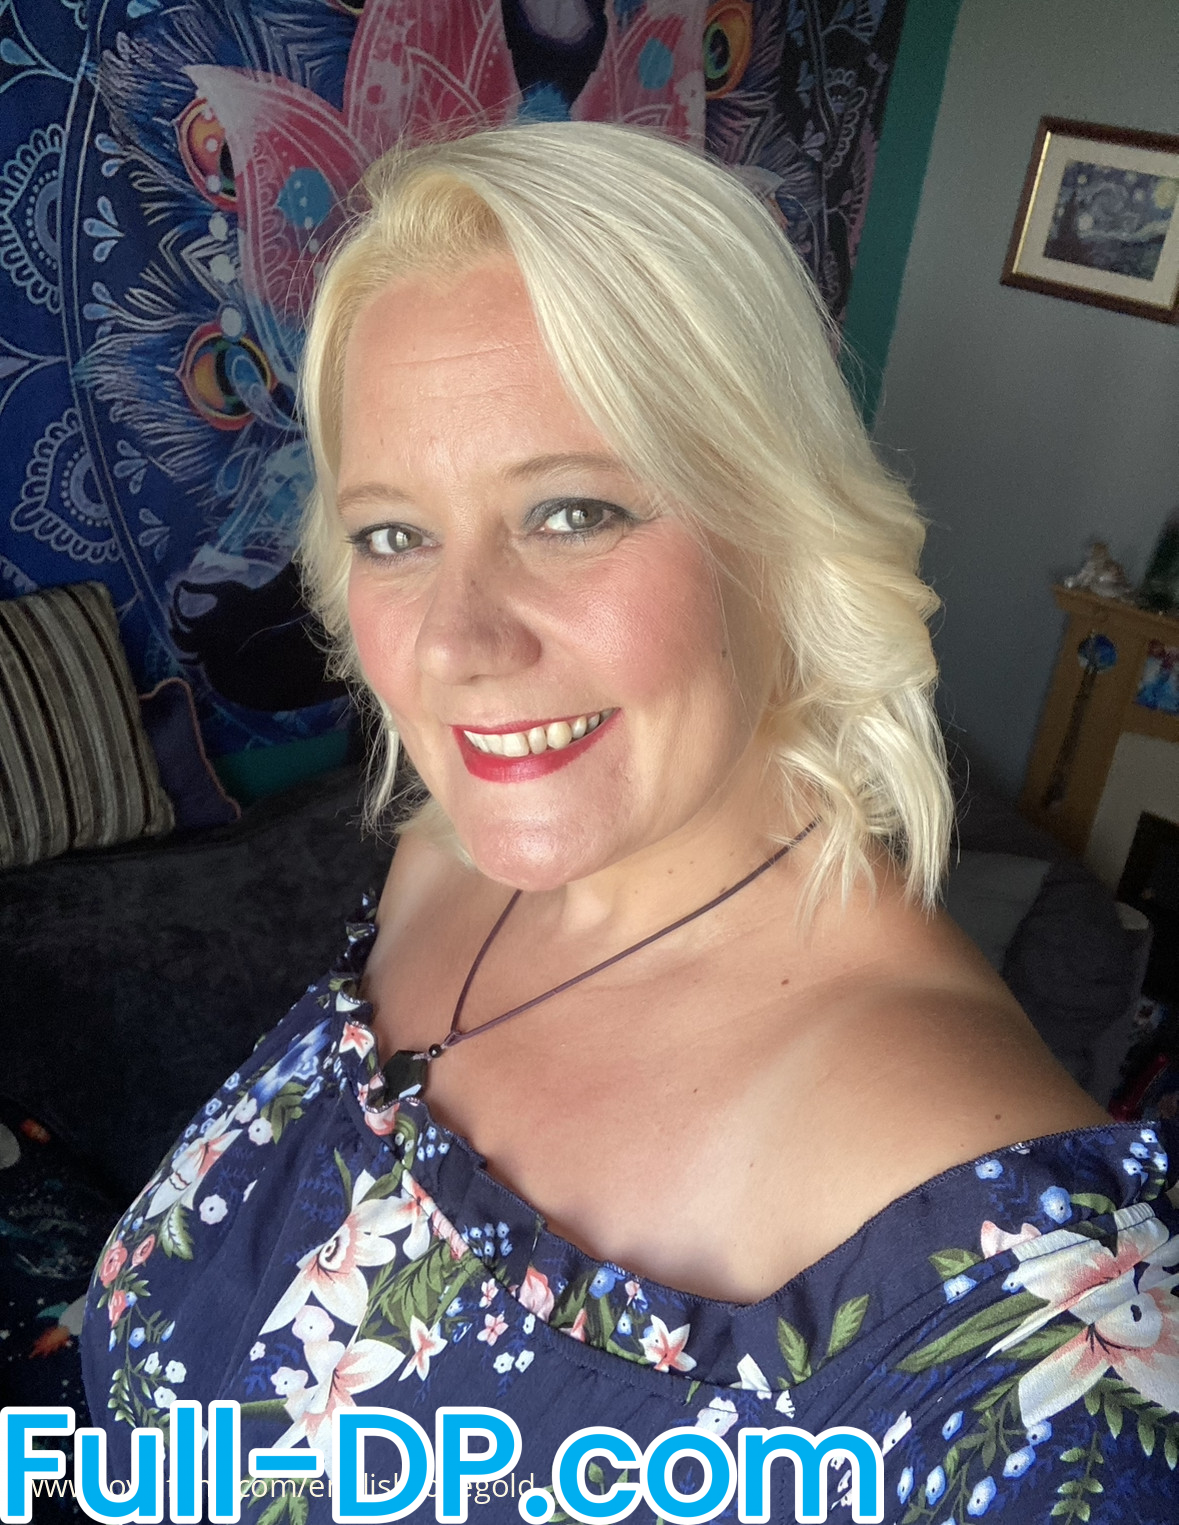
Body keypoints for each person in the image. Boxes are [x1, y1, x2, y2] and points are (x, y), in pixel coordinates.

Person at [83, 123, 1179, 1522]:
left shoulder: (1004, 1293)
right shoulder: (438, 865)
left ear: (777, 537)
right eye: (394, 534)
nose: (458, 643)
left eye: (570, 512)